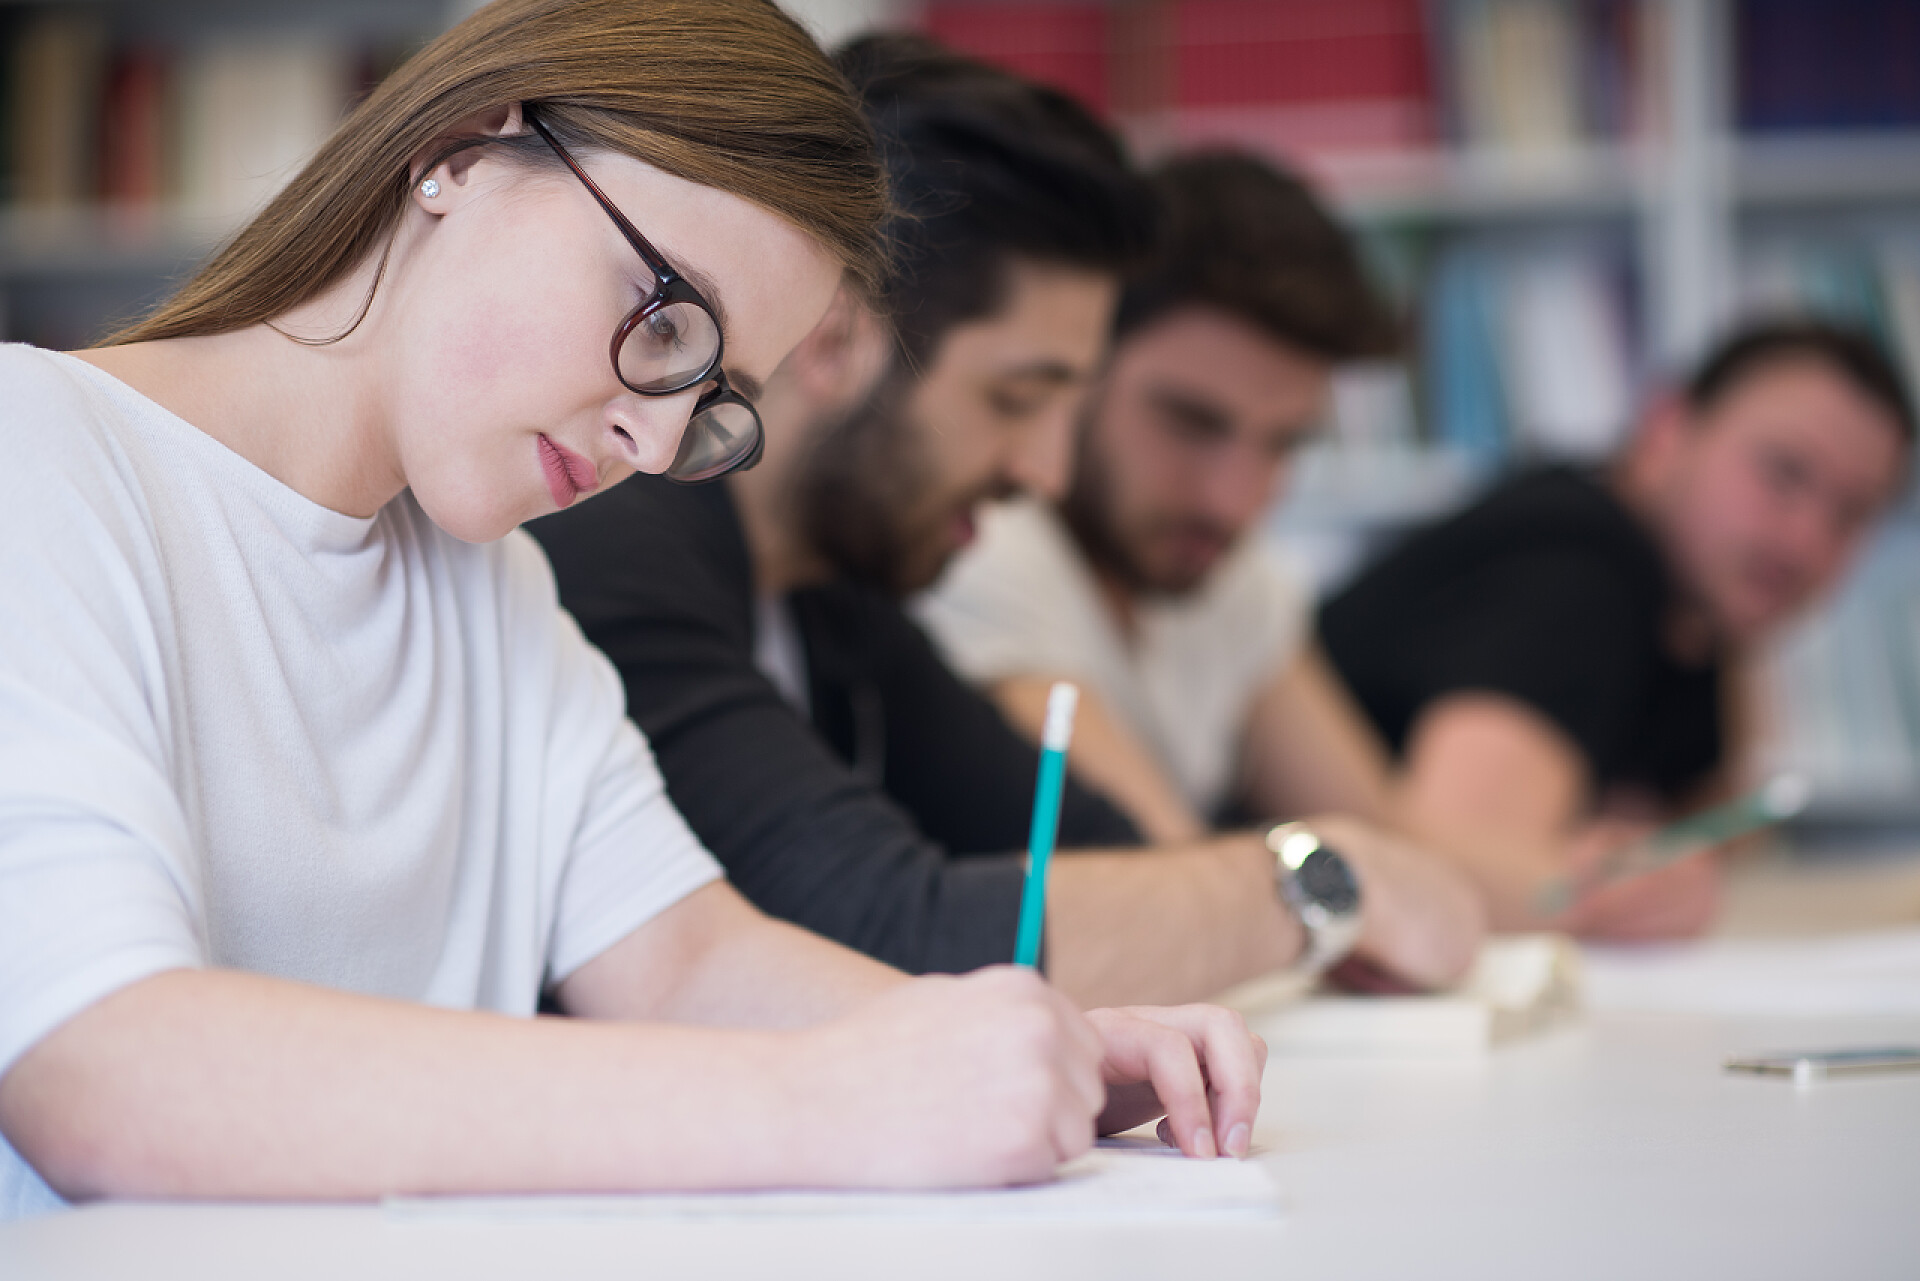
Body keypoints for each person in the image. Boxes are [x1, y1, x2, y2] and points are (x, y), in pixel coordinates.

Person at [0, 0, 1268, 1220]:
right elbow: (99, 1064)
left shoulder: (490, 586)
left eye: (715, 394)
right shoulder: (38, 457)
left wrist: (1025, 1051)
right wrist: (818, 1100)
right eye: (665, 320)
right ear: (460, 152)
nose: (657, 444)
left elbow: (688, 963)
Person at [530, 34, 1484, 1013]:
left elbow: (1100, 856)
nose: (1046, 471)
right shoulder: (612, 550)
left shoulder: (831, 595)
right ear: (837, 338)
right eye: (1017, 398)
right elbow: (898, 934)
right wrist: (1324, 882)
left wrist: (1256, 897)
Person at [1317, 319, 1914, 935]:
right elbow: (1445, 873)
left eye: (1851, 513)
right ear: (1666, 431)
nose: (1806, 541)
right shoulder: (1575, 577)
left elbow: (1720, 820)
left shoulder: (1689, 609)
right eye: (1783, 472)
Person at [917, 152, 1404, 849]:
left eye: (1283, 444)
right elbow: (1165, 865)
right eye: (1191, 422)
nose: (1233, 500)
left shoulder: (1219, 565)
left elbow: (1385, 834)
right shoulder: (980, 539)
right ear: (1082, 364)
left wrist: (1579, 883)